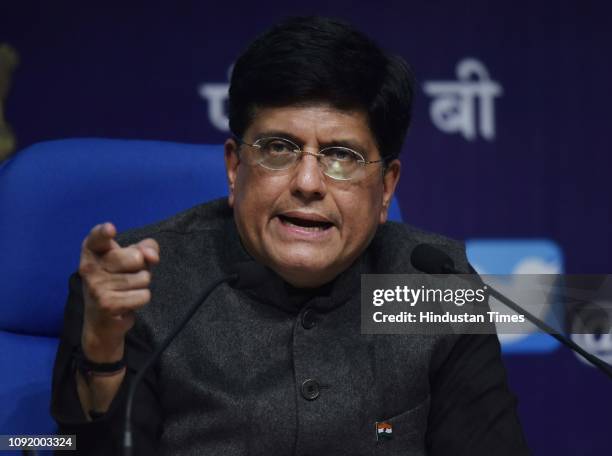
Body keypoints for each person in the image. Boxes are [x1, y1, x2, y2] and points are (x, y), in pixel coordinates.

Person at [51, 16, 529, 455]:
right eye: (279, 148)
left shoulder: (431, 287)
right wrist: (102, 353)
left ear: (386, 187)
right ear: (235, 168)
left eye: (341, 155)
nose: (307, 183)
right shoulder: (137, 287)